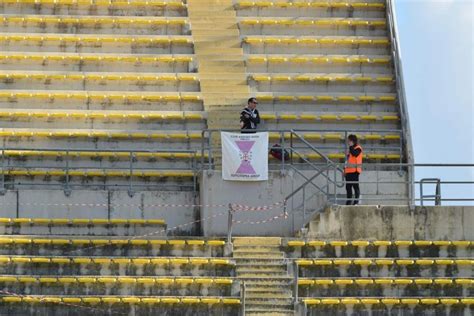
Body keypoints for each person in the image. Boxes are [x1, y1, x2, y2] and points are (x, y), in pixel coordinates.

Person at [344, 134, 363, 205]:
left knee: (355, 186)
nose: (348, 142)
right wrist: (344, 170)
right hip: (348, 172)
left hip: (355, 171)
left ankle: (356, 201)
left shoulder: (358, 148)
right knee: (348, 187)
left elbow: (355, 154)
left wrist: (351, 146)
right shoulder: (350, 150)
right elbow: (347, 161)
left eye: (349, 141)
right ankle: (349, 201)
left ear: (352, 141)